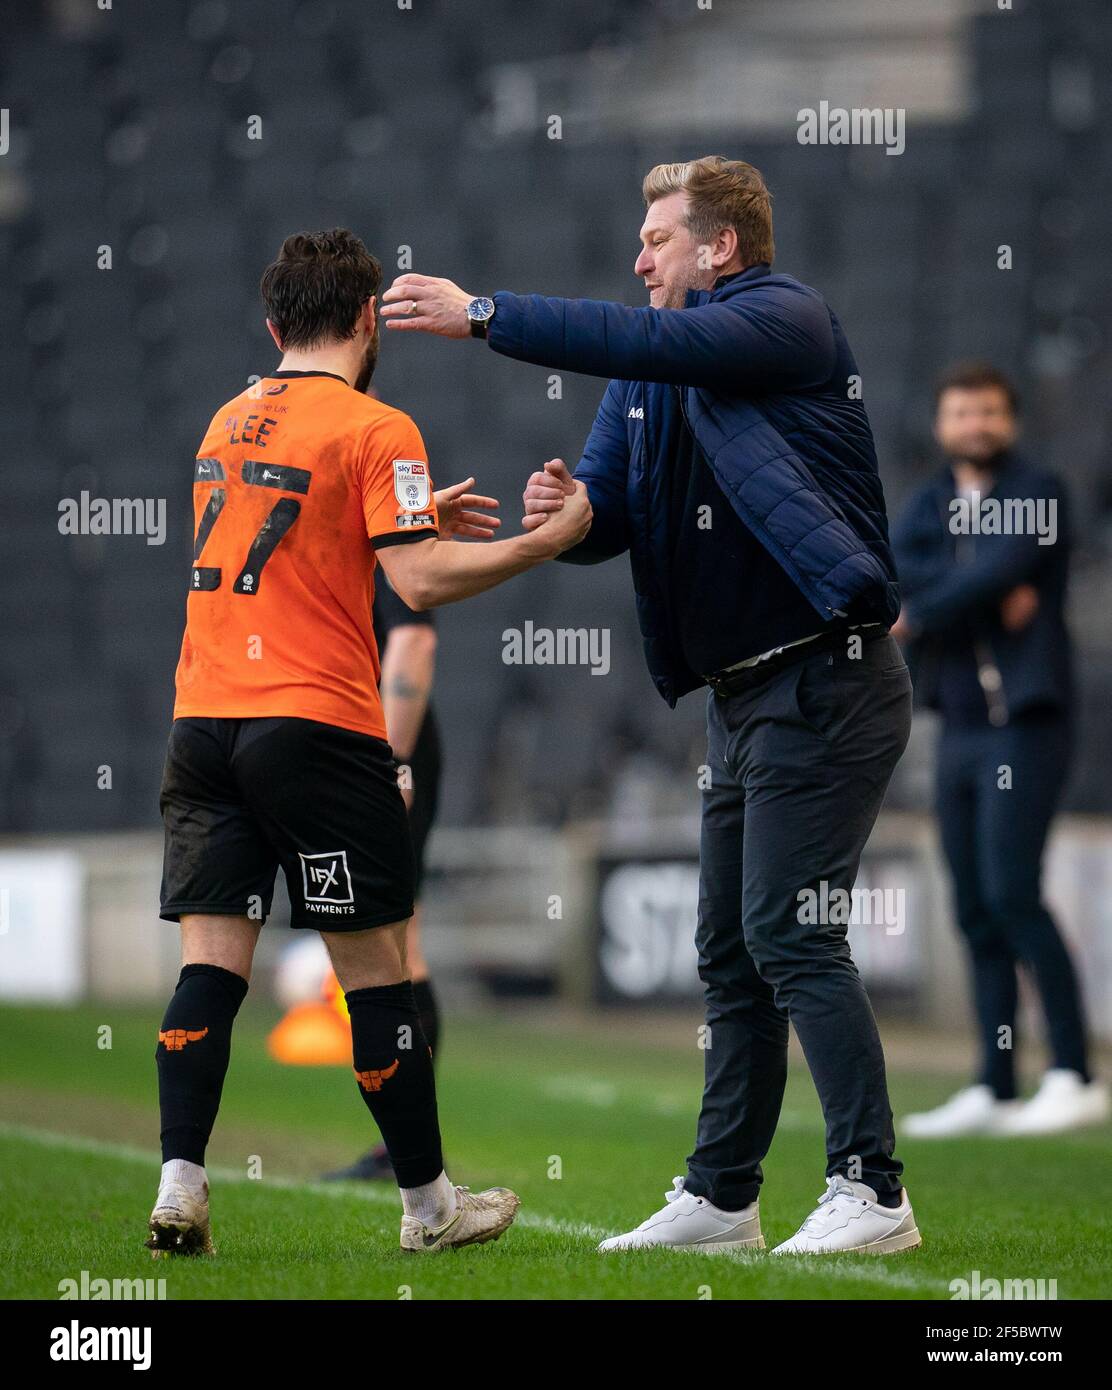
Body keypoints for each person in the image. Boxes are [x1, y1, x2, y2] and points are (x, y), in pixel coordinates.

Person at [380, 156, 920, 1256]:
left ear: (718, 248)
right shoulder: (649, 370)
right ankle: (722, 1198)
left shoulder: (781, 318)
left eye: (657, 239)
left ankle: (873, 1190)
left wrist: (483, 313)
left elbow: (650, 343)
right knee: (728, 952)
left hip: (827, 673)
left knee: (788, 933)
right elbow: (612, 509)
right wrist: (568, 514)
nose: (637, 259)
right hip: (739, 696)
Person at [150, 228, 591, 1256]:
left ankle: (179, 1183)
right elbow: (421, 581)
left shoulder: (226, 417)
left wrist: (387, 520)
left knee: (211, 967)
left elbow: (263, 550)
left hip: (202, 718)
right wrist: (544, 541)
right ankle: (430, 1207)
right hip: (313, 721)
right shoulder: (376, 423)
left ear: (272, 326)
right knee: (376, 973)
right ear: (363, 321)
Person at [892, 362, 1108, 1137]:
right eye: (961, 413)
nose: (974, 424)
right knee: (975, 904)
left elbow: (992, 572)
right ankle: (995, 1082)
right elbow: (903, 573)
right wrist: (969, 586)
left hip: (1029, 722)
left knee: (1015, 892)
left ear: (1008, 421)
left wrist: (931, 604)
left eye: (988, 411)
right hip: (959, 724)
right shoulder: (928, 502)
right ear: (943, 423)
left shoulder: (1038, 490)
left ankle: (1075, 1072)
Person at [322, 573, 455, 1181]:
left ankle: (405, 1154)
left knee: (398, 947)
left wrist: (390, 765)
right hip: (352, 749)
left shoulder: (380, 540)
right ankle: (403, 1150)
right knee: (393, 947)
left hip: (381, 755)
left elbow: (415, 644)